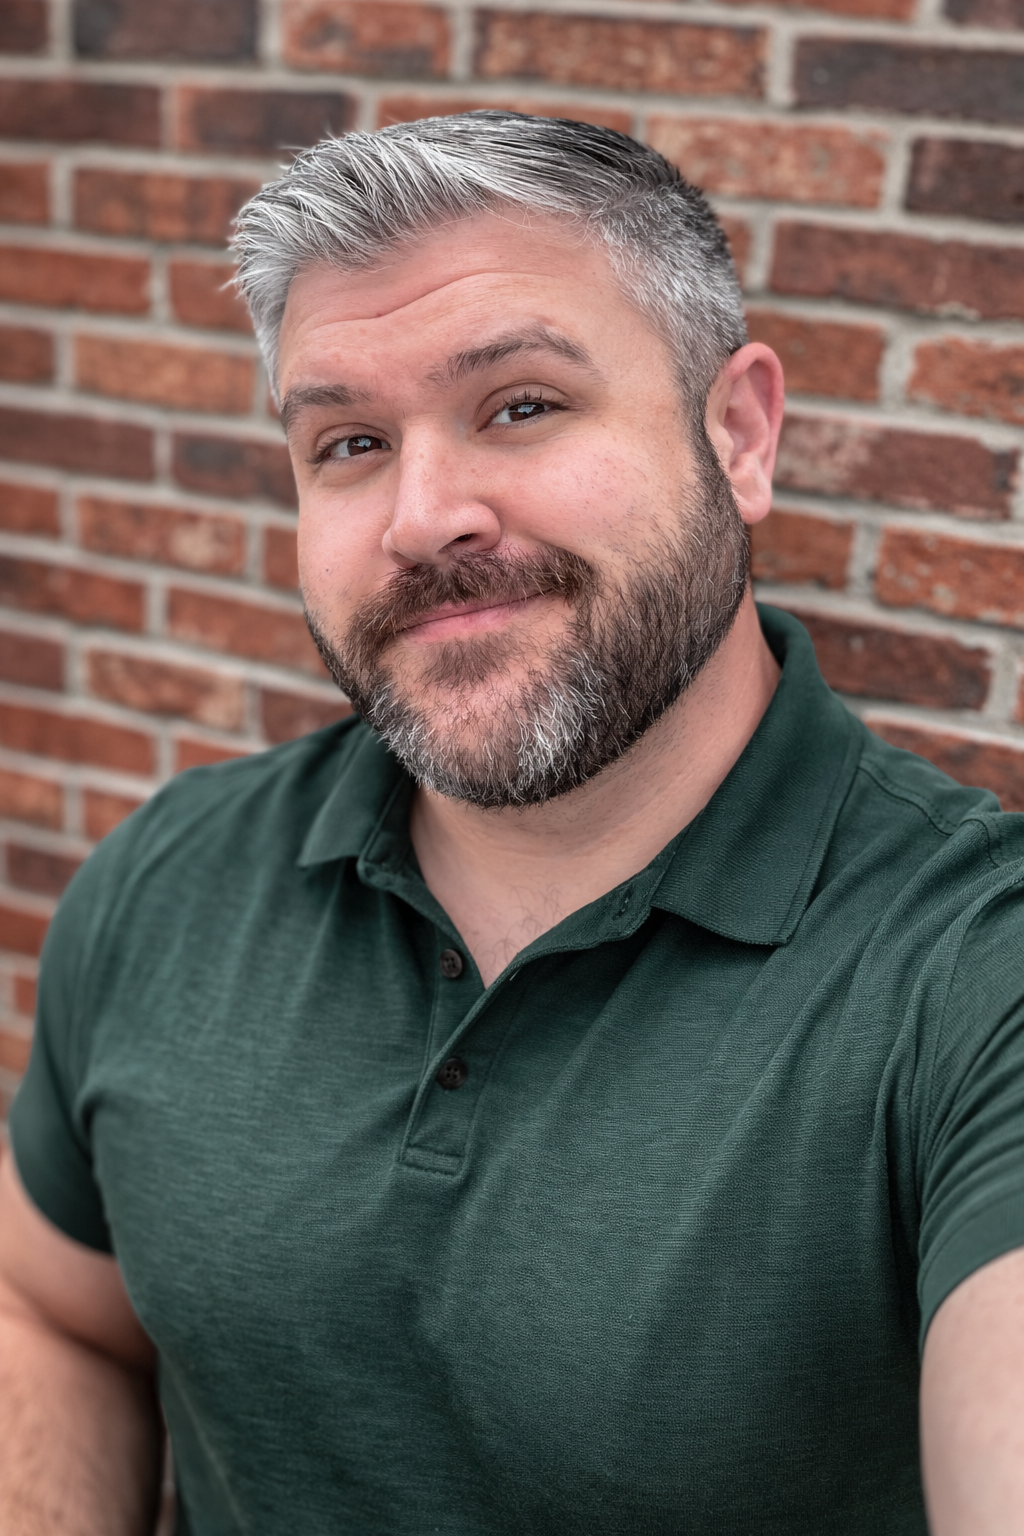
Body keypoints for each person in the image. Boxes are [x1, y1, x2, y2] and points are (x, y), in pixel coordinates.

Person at [0, 113, 1021, 1536]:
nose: (424, 515)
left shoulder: (972, 980)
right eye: (348, 440)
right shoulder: (176, 875)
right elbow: (53, 1311)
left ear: (738, 433)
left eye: (521, 404)